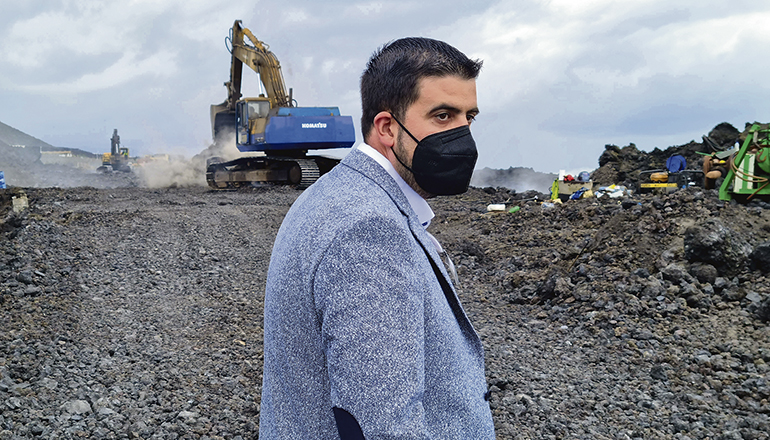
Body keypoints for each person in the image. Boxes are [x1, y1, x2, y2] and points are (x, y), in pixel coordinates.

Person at [259, 37, 495, 440]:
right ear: (387, 127)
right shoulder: (367, 231)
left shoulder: (338, 195)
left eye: (468, 117)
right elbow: (382, 425)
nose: (463, 136)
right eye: (442, 116)